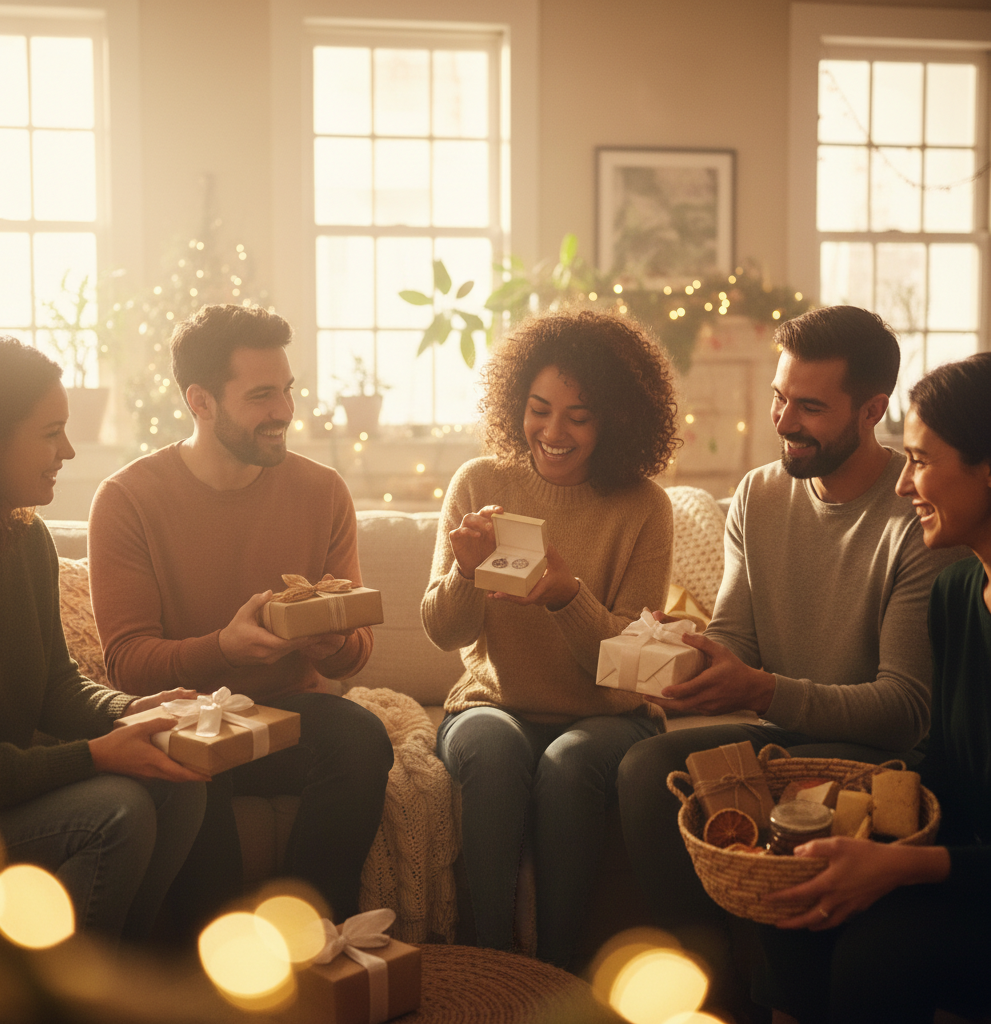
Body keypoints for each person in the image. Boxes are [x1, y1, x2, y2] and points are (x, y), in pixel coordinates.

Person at [616, 306, 963, 1001]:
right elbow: (736, 638)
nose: (782, 422)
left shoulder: (916, 516)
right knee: (646, 767)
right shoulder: (760, 493)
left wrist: (759, 689)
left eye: (809, 407)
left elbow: (903, 709)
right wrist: (682, 656)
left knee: (790, 808)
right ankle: (708, 997)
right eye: (780, 398)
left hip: (869, 755)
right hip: (781, 735)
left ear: (871, 410)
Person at [87, 304, 393, 934]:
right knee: (193, 771)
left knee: (360, 736)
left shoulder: (323, 490)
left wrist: (331, 644)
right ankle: (224, 965)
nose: (284, 411)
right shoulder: (127, 500)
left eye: (287, 390)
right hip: (187, 719)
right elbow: (127, 661)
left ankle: (312, 943)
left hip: (289, 716)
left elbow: (355, 650)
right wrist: (223, 648)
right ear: (201, 402)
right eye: (261, 395)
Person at [421, 308, 679, 969]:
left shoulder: (644, 507)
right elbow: (444, 631)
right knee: (490, 748)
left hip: (609, 716)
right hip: (492, 702)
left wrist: (567, 597)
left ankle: (560, 971)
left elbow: (636, 666)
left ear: (616, 420)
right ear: (517, 404)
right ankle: (490, 963)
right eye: (539, 410)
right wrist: (464, 571)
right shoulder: (481, 482)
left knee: (569, 767)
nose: (552, 432)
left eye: (578, 416)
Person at [752, 351, 991, 1024]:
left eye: (921, 461)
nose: (902, 485)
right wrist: (854, 838)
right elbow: (940, 770)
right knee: (794, 896)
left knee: (878, 951)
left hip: (970, 882)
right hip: (953, 862)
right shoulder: (957, 593)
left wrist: (903, 870)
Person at [0, 334, 206, 942]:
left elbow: (55, 684)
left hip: (10, 792)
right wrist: (98, 754)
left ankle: (123, 981)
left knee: (180, 787)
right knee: (116, 815)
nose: (69, 450)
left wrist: (127, 710)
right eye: (50, 433)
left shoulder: (26, 539)